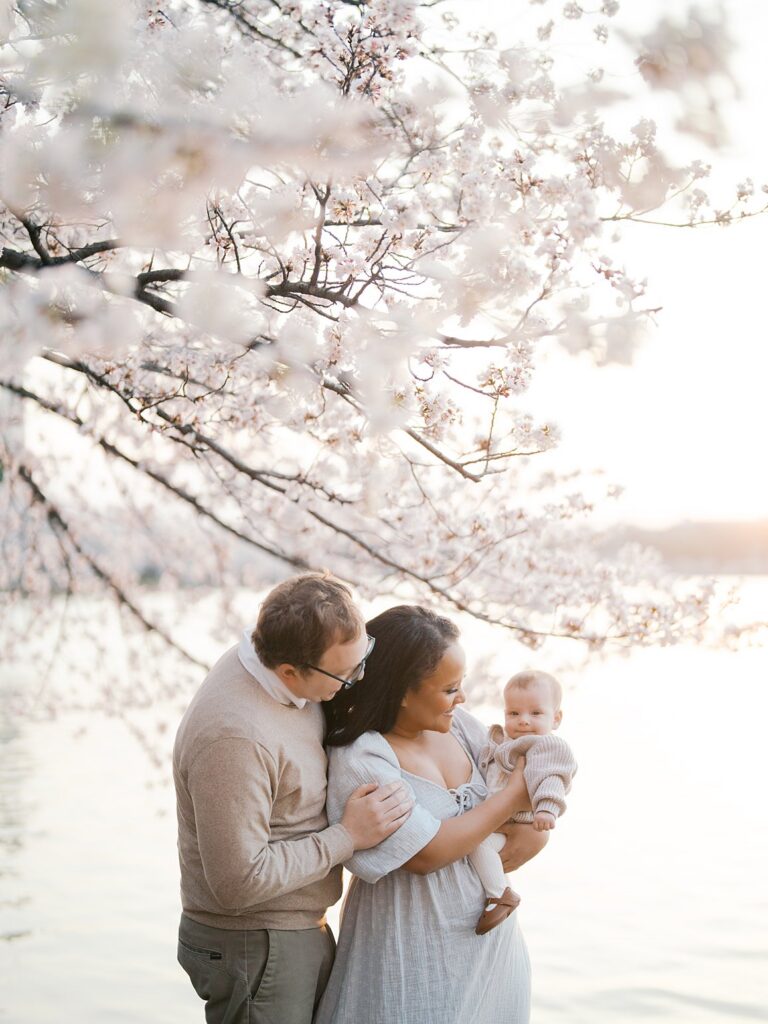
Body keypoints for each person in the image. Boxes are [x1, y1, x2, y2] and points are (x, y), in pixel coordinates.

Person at [172, 573, 413, 1024]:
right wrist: (348, 835)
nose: (355, 680)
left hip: (289, 929)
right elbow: (237, 883)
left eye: (362, 659)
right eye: (343, 674)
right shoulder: (235, 737)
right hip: (255, 942)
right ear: (288, 671)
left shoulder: (277, 665)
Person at [314, 605, 549, 1024]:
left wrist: (536, 825)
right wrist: (512, 800)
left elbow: (528, 783)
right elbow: (427, 854)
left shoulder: (461, 727)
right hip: (411, 949)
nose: (462, 699)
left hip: (491, 953)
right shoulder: (364, 757)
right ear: (404, 691)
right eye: (449, 689)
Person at [471, 669, 578, 934]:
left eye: (536, 713)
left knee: (478, 845)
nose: (524, 721)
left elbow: (552, 779)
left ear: (556, 718)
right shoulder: (504, 740)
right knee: (477, 847)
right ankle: (497, 893)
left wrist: (546, 809)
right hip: (497, 819)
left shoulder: (547, 746)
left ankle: (500, 896)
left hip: (520, 820)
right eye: (514, 714)